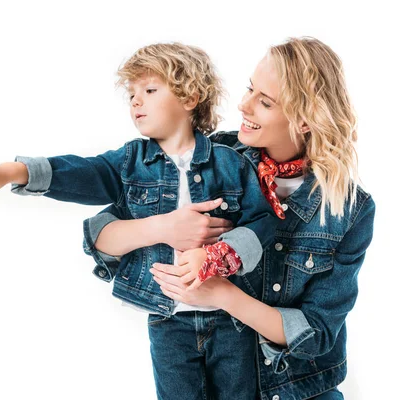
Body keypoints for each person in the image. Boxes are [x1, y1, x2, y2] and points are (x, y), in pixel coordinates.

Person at [0, 42, 278, 399]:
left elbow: (262, 223)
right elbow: (80, 172)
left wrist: (220, 254)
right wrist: (13, 172)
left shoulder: (230, 163)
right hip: (167, 320)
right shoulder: (129, 162)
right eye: (132, 94)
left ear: (190, 98)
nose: (136, 101)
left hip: (232, 321)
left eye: (150, 90)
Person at [83, 37, 375, 399]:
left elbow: (315, 332)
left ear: (304, 120)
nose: (243, 105)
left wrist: (222, 293)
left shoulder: (349, 208)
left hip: (297, 390)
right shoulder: (214, 158)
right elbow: (100, 236)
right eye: (250, 89)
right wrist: (163, 226)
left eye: (264, 102)